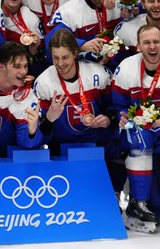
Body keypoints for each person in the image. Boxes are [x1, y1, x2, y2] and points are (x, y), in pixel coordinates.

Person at [113, 24, 160, 233]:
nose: (152, 46)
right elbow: (118, 105)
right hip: (139, 136)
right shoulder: (126, 69)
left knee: (158, 213)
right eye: (147, 42)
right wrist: (122, 116)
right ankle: (137, 202)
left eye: (156, 42)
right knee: (139, 135)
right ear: (138, 47)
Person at [34, 29, 125, 201]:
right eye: (56, 58)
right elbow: (41, 137)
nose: (60, 63)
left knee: (122, 146)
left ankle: (113, 194)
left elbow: (116, 107)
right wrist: (49, 119)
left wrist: (108, 119)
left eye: (65, 57)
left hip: (98, 142)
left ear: (76, 53)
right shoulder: (43, 83)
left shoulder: (98, 73)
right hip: (63, 146)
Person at [45, 0, 122, 63]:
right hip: (89, 68)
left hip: (122, 62)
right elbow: (50, 40)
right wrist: (80, 45)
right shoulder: (68, 11)